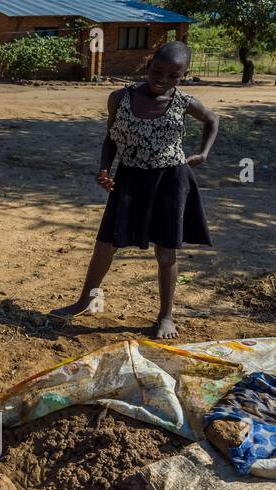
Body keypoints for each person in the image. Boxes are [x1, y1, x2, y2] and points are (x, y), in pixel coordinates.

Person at [53, 41, 218, 339]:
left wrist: (204, 153)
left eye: (173, 75)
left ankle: (166, 316)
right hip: (129, 178)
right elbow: (110, 139)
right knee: (106, 244)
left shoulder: (184, 102)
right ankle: (85, 300)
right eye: (158, 70)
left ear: (183, 75)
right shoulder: (120, 98)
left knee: (166, 252)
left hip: (170, 180)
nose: (163, 79)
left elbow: (212, 120)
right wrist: (105, 169)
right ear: (147, 65)